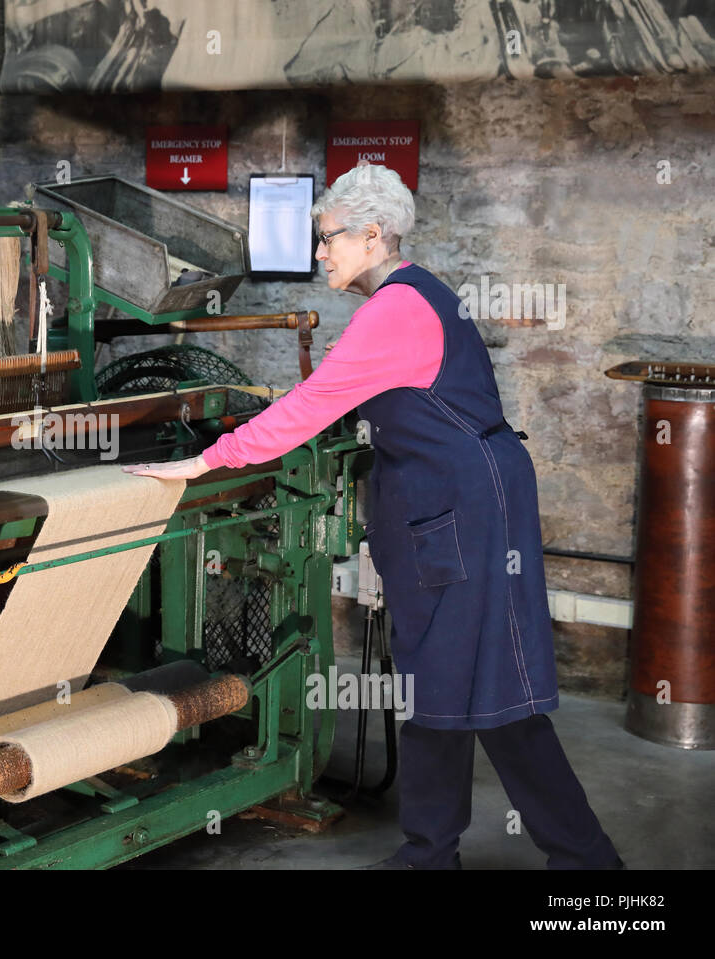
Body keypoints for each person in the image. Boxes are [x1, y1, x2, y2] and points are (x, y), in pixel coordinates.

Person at [123, 162, 623, 870]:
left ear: (373, 234)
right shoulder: (409, 298)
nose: (320, 252)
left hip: (465, 514)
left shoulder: (395, 310)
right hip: (451, 505)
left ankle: (592, 869)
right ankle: (429, 852)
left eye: (328, 238)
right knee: (434, 686)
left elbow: (303, 411)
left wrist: (203, 461)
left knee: (498, 696)